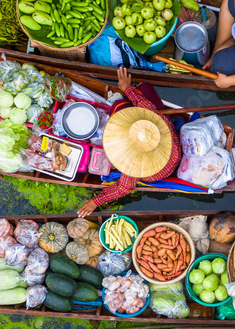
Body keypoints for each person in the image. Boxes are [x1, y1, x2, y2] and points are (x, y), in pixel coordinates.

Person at [76, 67, 181, 217]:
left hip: (159, 170)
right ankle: (129, 97)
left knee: (117, 107)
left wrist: (96, 201)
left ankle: (124, 104)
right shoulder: (159, 122)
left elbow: (123, 188)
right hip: (172, 151)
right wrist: (127, 88)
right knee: (144, 88)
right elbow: (144, 103)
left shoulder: (134, 165)